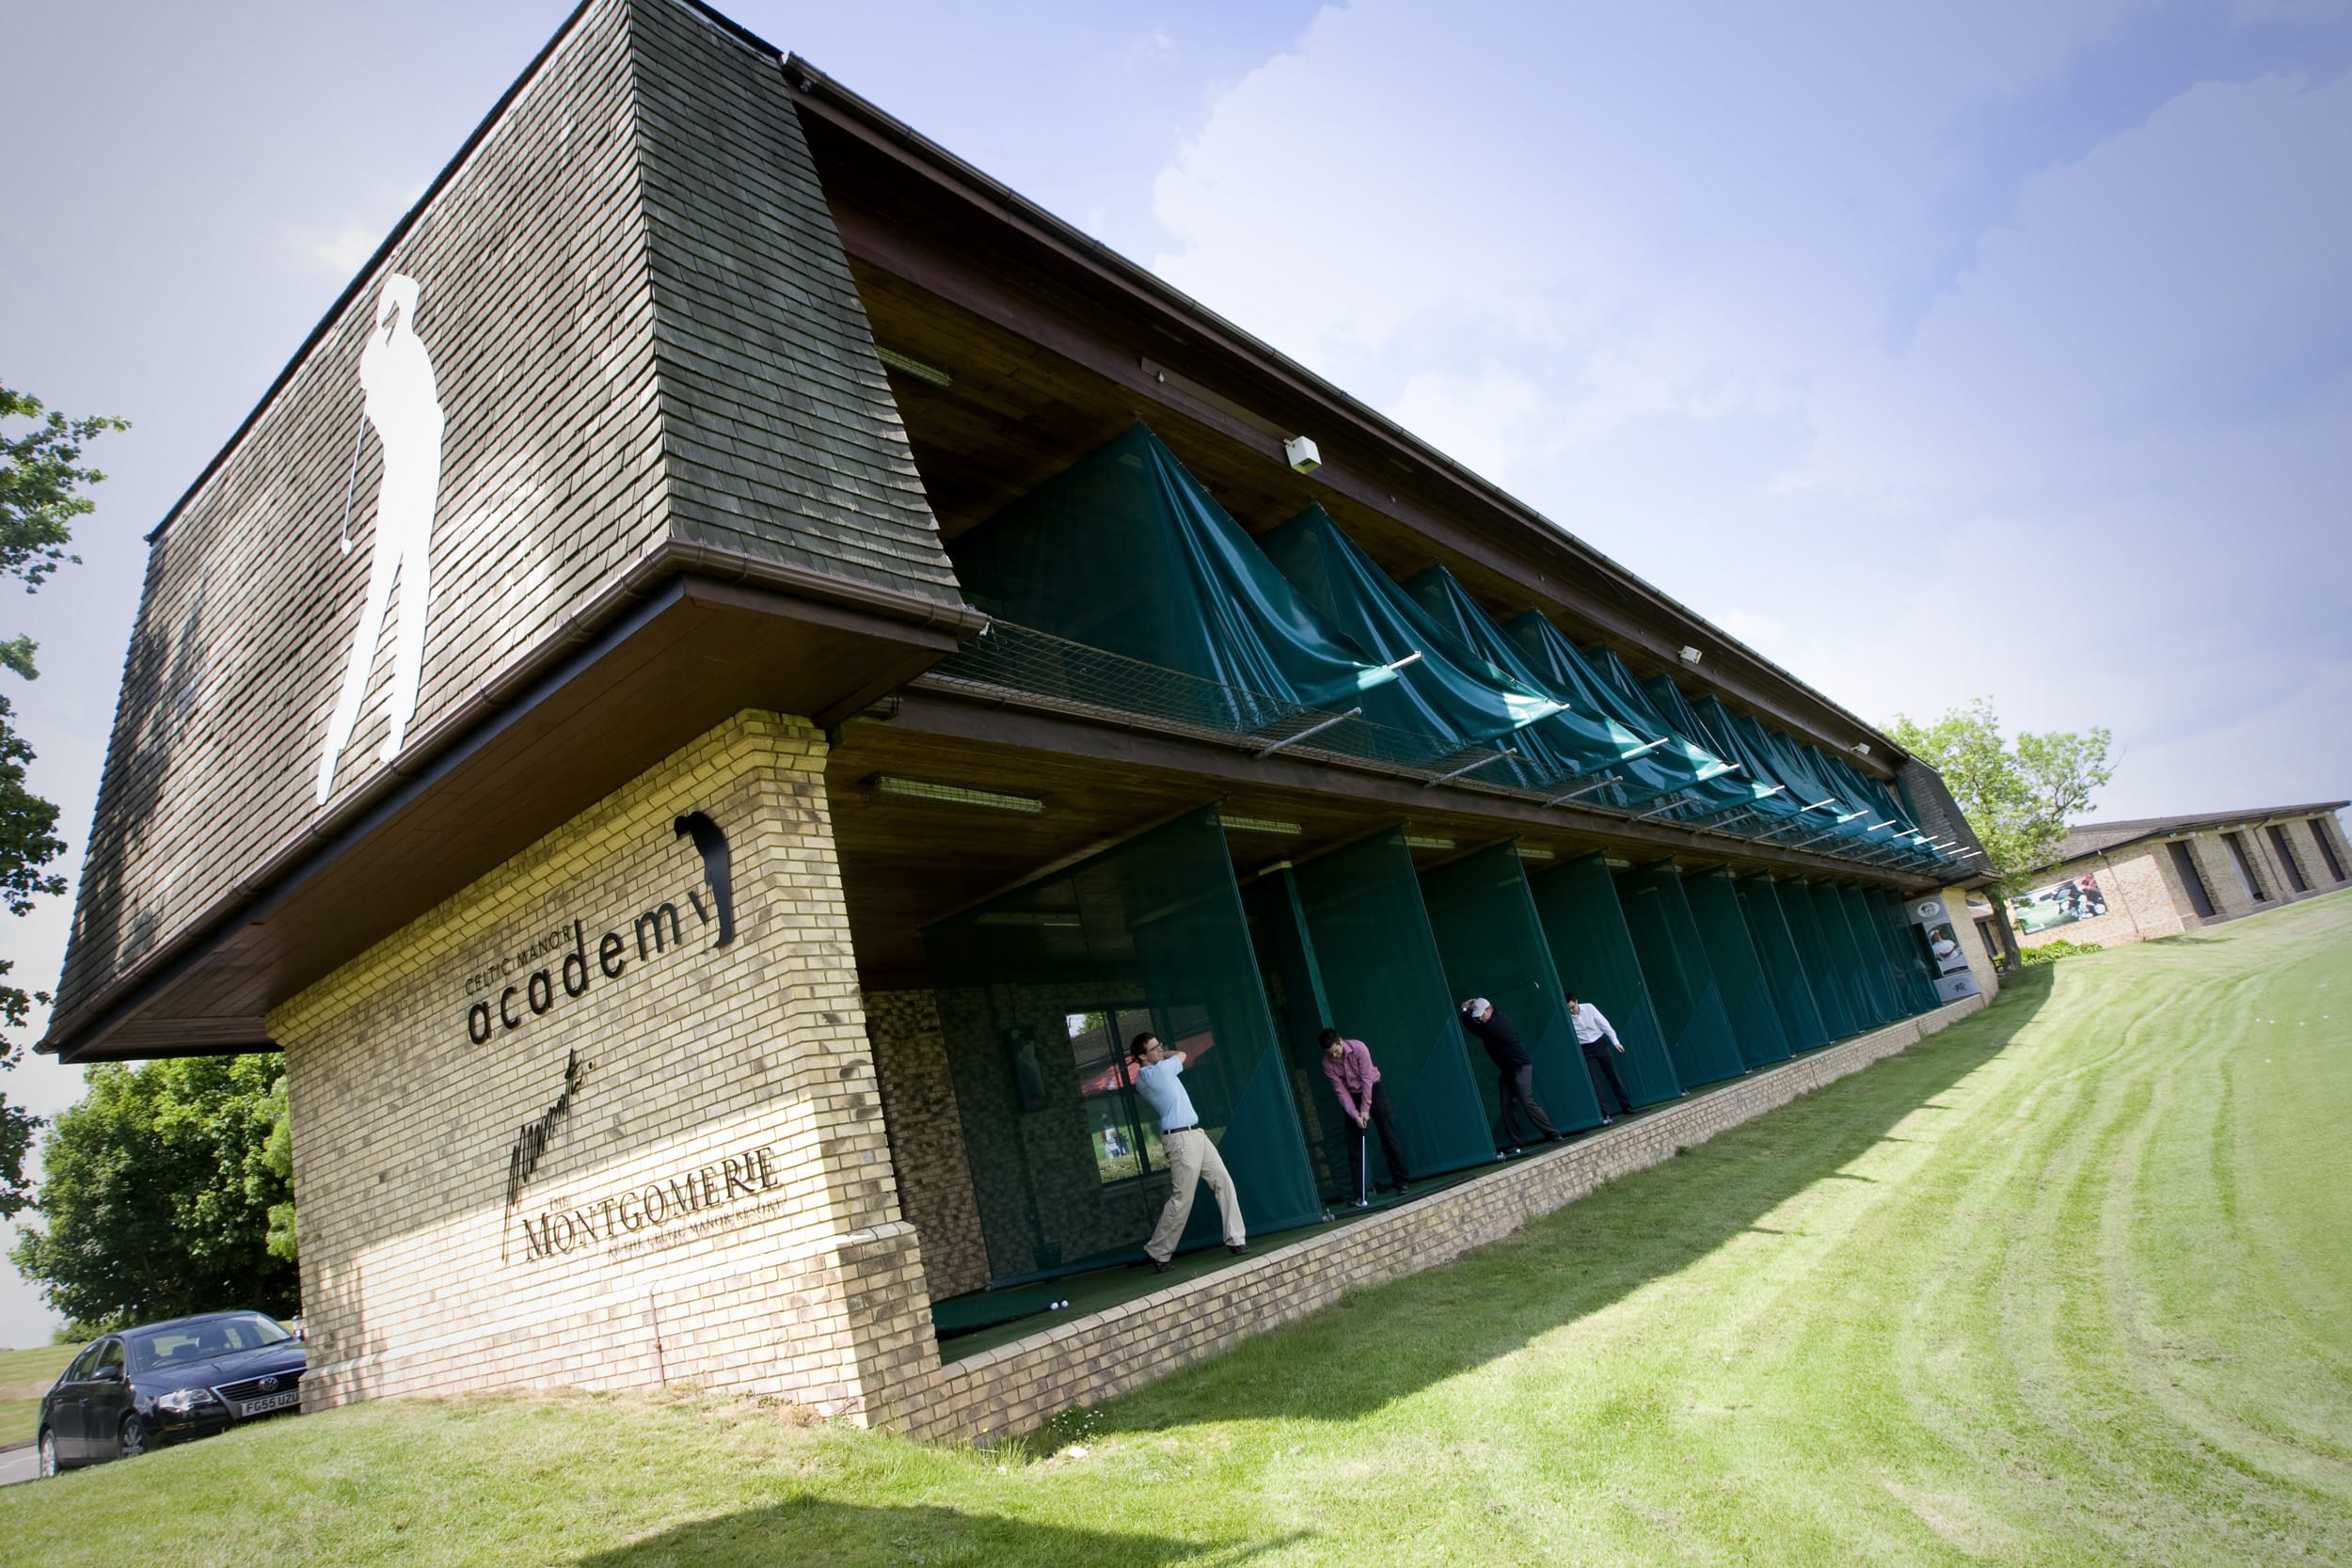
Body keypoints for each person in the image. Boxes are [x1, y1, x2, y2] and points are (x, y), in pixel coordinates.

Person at [318, 273, 447, 803]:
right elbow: (430, 420)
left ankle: (345, 748)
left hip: (399, 479)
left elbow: (380, 406)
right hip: (411, 477)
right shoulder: (404, 350)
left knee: (382, 602)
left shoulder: (378, 354)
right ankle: (386, 728)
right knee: (406, 590)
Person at [1128, 1033, 1248, 1274]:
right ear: (1142, 1056)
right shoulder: (1153, 1074)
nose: (1160, 1049)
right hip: (1180, 1139)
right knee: (1182, 1198)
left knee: (1223, 1181)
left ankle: (1236, 1239)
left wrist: (1160, 1053)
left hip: (1196, 1134)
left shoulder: (1157, 1069)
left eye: (1160, 1045)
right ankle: (1158, 1250)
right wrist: (1168, 1053)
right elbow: (1183, 1055)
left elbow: (1173, 1058)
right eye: (1155, 1048)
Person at [1320, 1028, 1413, 1207]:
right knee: (1354, 1147)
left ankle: (1401, 1182)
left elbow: (1367, 1080)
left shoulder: (1359, 1048)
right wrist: (1356, 1115)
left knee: (1388, 1135)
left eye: (1336, 1051)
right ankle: (1359, 1194)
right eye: (1330, 1054)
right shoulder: (1327, 1063)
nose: (1335, 1056)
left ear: (1341, 1042)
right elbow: (1341, 1092)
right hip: (1351, 1097)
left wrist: (1365, 1109)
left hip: (1373, 1090)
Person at [1457, 998, 1560, 1154]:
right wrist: (1473, 1006)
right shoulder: (1495, 1016)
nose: (1479, 1019)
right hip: (1507, 1069)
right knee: (1506, 1104)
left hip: (1520, 1067)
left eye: (1481, 1015)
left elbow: (1473, 1028)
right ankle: (1516, 1142)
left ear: (1489, 1009)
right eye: (1477, 1016)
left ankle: (1553, 1133)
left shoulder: (1494, 1026)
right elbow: (1478, 1020)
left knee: (1527, 1101)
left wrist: (1464, 1010)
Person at [1566, 993, 1630, 1124]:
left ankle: (1626, 1106)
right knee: (1595, 1082)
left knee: (1613, 1075)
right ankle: (1606, 1113)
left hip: (1599, 1043)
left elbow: (1604, 1024)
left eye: (1573, 1007)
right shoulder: (1566, 1017)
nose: (1572, 1011)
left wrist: (1616, 1042)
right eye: (1569, 1009)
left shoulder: (1589, 1008)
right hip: (1584, 1048)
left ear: (1576, 1001)